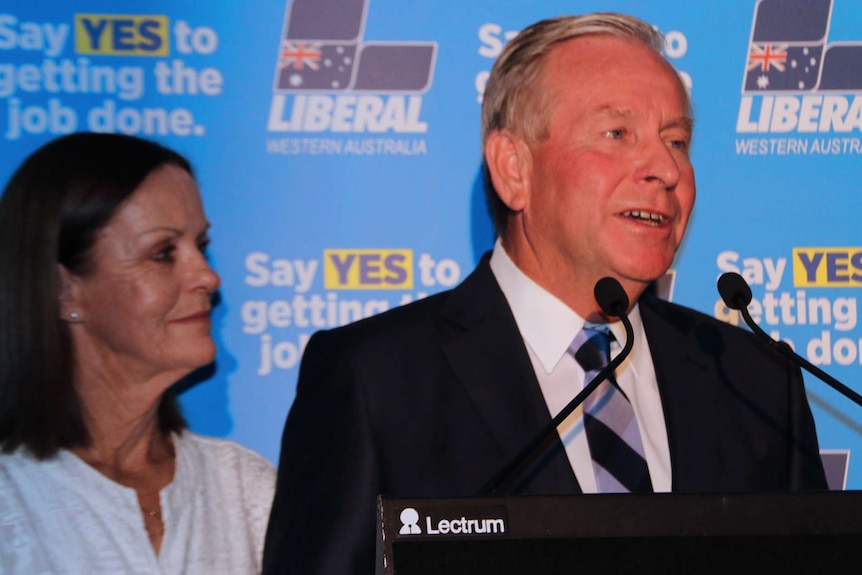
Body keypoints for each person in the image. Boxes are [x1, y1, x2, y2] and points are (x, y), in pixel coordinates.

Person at [262, 12, 827, 575]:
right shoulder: (376, 382)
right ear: (514, 169)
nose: (666, 169)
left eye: (676, 140)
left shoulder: (755, 383)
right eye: (617, 133)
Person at [0, 132, 275, 574]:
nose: (206, 276)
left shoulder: (245, 490)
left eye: (200, 246)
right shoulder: (12, 500)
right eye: (163, 253)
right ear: (64, 290)